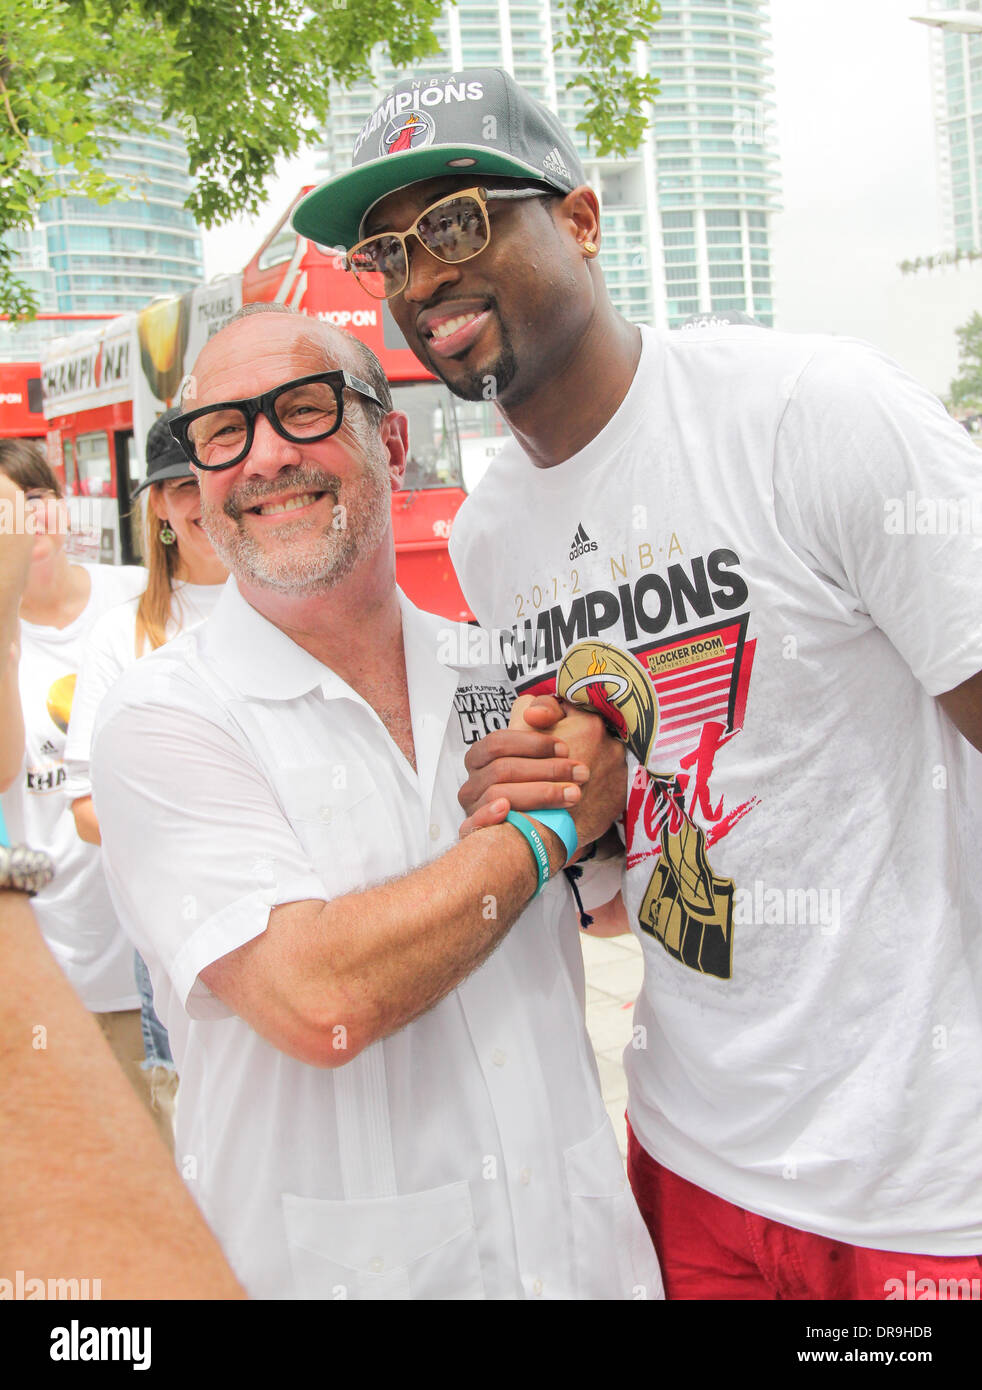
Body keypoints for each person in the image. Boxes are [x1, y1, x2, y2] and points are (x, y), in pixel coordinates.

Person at [293, 67, 982, 1300]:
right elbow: (617, 890)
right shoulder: (492, 533)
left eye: (453, 225)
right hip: (686, 1165)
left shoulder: (805, 411)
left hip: (927, 1184)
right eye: (388, 256)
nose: (420, 282)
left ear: (581, 219)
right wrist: (567, 812)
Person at [89, 306, 663, 1300]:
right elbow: (320, 1001)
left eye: (303, 411)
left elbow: (607, 906)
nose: (263, 457)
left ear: (389, 439)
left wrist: (605, 791)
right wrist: (550, 821)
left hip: (583, 1262)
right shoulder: (162, 719)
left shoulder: (499, 670)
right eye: (223, 432)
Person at [64, 409, 228, 1150]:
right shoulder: (125, 631)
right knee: (190, 1138)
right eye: (177, 486)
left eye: (207, 478)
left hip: (301, 922)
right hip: (171, 938)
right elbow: (85, 809)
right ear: (158, 505)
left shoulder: (296, 609)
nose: (196, 498)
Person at [0, 442, 148, 1078]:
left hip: (162, 954)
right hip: (61, 970)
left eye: (34, 500)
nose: (24, 522)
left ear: (61, 509)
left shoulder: (138, 596)